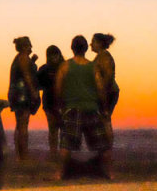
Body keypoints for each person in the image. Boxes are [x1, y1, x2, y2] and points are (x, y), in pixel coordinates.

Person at [54, 35, 112, 180]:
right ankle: (109, 174)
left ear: (72, 48)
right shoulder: (93, 67)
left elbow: (58, 88)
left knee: (66, 144)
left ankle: (60, 173)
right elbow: (100, 89)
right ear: (86, 49)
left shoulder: (65, 66)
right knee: (102, 145)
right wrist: (104, 108)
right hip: (91, 108)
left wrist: (60, 107)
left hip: (71, 108)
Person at [8, 36, 40, 160]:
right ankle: (23, 155)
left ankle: (18, 154)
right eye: (29, 45)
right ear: (25, 47)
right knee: (23, 124)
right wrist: (33, 92)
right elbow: (27, 75)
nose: (31, 47)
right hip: (22, 94)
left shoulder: (19, 59)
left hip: (16, 93)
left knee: (19, 124)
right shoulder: (23, 58)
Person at [91, 32, 119, 144]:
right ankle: (105, 147)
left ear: (99, 43)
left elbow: (108, 77)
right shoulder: (101, 56)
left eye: (93, 42)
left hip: (107, 93)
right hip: (105, 93)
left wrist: (103, 96)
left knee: (105, 120)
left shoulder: (104, 57)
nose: (90, 44)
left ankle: (107, 148)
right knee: (103, 121)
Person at [37, 45, 64, 156]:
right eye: (52, 55)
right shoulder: (44, 69)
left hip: (63, 102)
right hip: (50, 103)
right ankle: (53, 153)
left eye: (56, 55)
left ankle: (63, 153)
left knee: (63, 129)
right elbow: (38, 85)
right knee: (53, 129)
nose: (54, 58)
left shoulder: (64, 67)